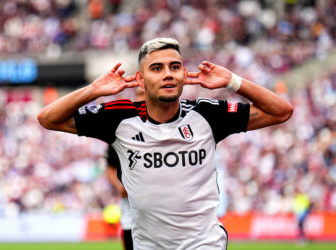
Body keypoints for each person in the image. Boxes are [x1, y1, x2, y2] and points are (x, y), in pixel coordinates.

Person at [37, 37, 293, 249]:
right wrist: (93, 90)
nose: (168, 74)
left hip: (204, 244)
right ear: (140, 79)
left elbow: (281, 111)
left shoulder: (206, 114)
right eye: (157, 68)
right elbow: (48, 118)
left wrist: (232, 81)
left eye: (175, 66)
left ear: (184, 74)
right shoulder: (119, 117)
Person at [105, 88, 144, 250]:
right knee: (130, 240)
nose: (141, 100)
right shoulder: (122, 129)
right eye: (139, 95)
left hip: (160, 202)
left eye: (144, 95)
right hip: (131, 203)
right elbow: (110, 167)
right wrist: (120, 188)